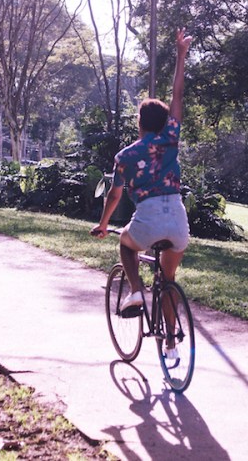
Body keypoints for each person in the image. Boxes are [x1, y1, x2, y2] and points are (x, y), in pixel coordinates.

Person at [91, 28, 193, 360]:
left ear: (139, 122)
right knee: (168, 277)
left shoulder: (125, 156)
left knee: (126, 244)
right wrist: (180, 55)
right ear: (164, 122)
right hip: (177, 219)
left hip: (147, 217)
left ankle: (135, 292)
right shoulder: (170, 139)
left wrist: (104, 224)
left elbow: (115, 197)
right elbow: (177, 96)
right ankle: (171, 343)